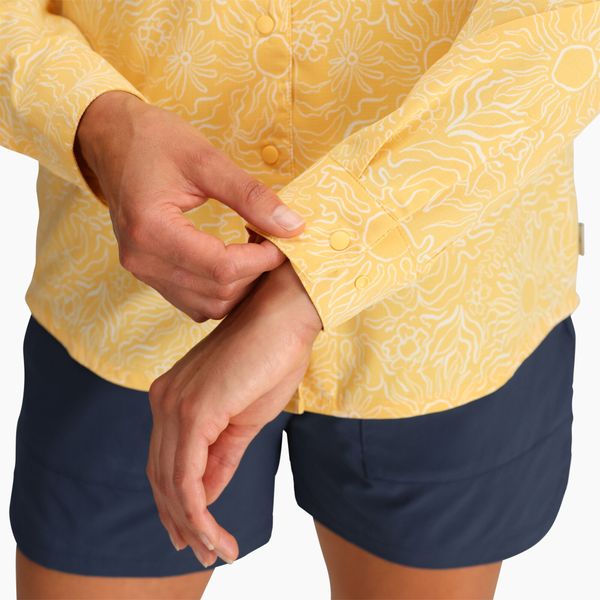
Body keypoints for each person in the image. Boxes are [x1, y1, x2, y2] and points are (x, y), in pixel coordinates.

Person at [1, 1, 597, 598]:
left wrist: (316, 274)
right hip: (130, 298)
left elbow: (570, 25)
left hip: (447, 313)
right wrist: (99, 123)